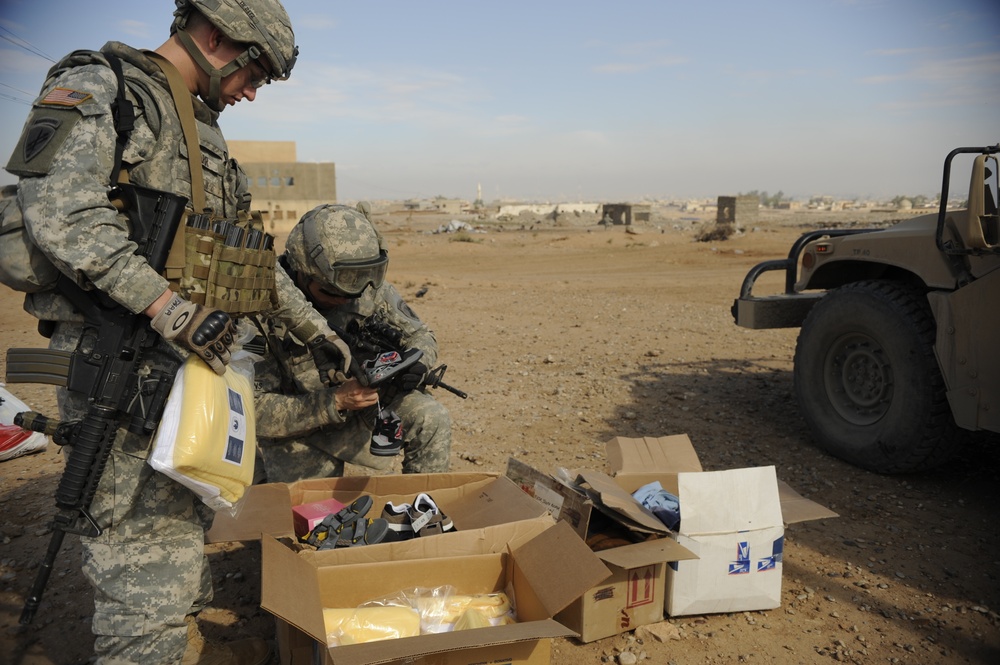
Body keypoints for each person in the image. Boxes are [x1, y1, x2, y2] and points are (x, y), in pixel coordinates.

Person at [4, 2, 350, 663]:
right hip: (119, 373)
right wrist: (169, 307)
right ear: (216, 36)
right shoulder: (104, 86)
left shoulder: (206, 134)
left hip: (188, 380)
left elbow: (240, 258)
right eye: (255, 74)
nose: (252, 91)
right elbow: (59, 212)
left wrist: (311, 327)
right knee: (142, 578)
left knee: (182, 528)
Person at [254, 203, 453, 482]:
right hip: (301, 427)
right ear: (302, 271)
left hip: (366, 409)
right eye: (333, 291)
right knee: (313, 518)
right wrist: (335, 401)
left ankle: (421, 510)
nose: (348, 298)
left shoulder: (362, 285)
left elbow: (421, 335)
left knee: (431, 417)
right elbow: (256, 412)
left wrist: (418, 362)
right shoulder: (260, 309)